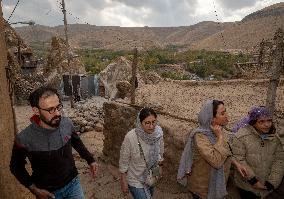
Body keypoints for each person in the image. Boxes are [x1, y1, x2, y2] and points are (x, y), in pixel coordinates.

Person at [10, 86, 99, 199]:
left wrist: (90, 160)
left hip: (73, 184)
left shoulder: (67, 124)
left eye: (58, 107)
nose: (57, 113)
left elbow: (77, 143)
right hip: (47, 193)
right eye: (50, 109)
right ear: (36, 110)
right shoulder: (24, 139)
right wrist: (34, 189)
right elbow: (15, 167)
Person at [177, 100, 247, 199]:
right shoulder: (200, 136)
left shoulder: (219, 130)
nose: (227, 116)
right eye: (222, 113)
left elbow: (225, 152)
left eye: (225, 111)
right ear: (212, 118)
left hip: (215, 186)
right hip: (203, 190)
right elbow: (215, 161)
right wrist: (220, 138)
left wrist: (236, 164)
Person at [232, 106, 284, 199]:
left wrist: (272, 182)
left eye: (269, 121)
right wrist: (253, 181)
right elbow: (239, 159)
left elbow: (279, 160)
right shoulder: (241, 137)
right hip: (247, 186)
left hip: (268, 187)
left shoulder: (275, 139)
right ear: (253, 123)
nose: (267, 124)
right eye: (261, 121)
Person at [119, 107, 164, 199]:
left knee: (150, 195)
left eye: (153, 122)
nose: (151, 126)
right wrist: (123, 181)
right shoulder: (131, 137)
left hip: (151, 176)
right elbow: (124, 160)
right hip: (135, 179)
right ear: (140, 123)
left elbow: (160, 152)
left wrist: (160, 168)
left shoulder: (158, 134)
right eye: (147, 123)